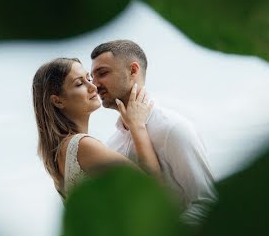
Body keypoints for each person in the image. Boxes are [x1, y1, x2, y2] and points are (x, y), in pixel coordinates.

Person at [91, 40, 217, 223]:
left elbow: (207, 203)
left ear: (133, 70)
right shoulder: (111, 145)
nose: (95, 84)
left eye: (102, 73)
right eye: (92, 77)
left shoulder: (172, 128)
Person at [32, 57, 161, 200]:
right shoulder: (82, 146)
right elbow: (152, 188)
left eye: (88, 78)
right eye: (79, 83)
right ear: (58, 101)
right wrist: (137, 126)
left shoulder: (60, 154)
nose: (93, 87)